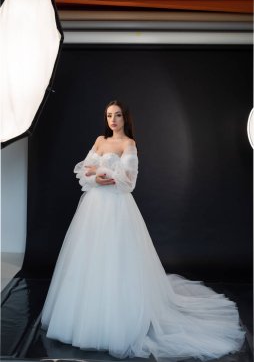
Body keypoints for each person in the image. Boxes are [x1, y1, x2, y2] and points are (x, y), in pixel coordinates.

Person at [41, 100, 246, 361]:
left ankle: (118, 319)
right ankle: (86, 317)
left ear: (125, 118)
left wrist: (101, 171)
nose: (112, 120)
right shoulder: (100, 140)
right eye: (108, 115)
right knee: (90, 260)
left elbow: (128, 182)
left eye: (117, 115)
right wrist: (98, 176)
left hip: (117, 208)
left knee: (117, 261)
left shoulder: (129, 145)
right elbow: (83, 170)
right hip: (93, 208)